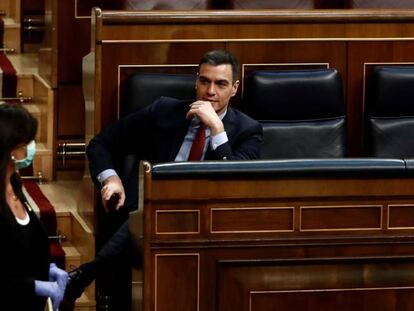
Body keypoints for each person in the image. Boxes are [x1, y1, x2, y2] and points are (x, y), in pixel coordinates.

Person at [65, 49, 263, 307]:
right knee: (148, 218)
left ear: (234, 88)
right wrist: (111, 179)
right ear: (196, 82)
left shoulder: (248, 130)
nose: (210, 91)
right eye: (204, 81)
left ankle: (83, 276)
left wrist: (217, 129)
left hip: (209, 218)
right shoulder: (165, 111)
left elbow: (238, 183)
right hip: (150, 208)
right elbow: (102, 143)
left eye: (220, 84)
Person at [0, 103, 68, 311]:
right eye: (27, 142)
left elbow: (29, 241)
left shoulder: (15, 185)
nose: (32, 147)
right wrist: (35, 286)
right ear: (12, 149)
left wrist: (48, 267)